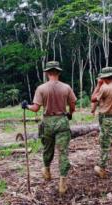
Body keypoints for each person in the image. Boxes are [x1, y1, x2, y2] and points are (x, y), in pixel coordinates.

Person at [24, 61, 77, 195]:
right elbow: (72, 104)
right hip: (62, 121)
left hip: (47, 121)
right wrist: (70, 114)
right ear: (58, 72)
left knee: (48, 148)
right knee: (63, 152)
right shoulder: (66, 87)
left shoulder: (41, 88)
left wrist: (26, 106)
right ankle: (62, 183)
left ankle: (47, 169)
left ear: (47, 73)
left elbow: (35, 108)